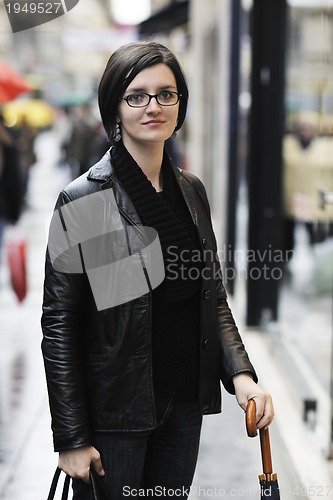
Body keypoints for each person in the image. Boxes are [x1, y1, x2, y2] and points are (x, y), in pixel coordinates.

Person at [41, 41, 274, 499]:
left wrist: (242, 377)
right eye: (137, 96)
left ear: (180, 103)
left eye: (167, 94)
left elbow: (213, 300)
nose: (154, 106)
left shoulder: (191, 190)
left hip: (183, 406)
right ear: (116, 107)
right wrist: (71, 437)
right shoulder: (85, 198)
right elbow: (61, 325)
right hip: (115, 415)